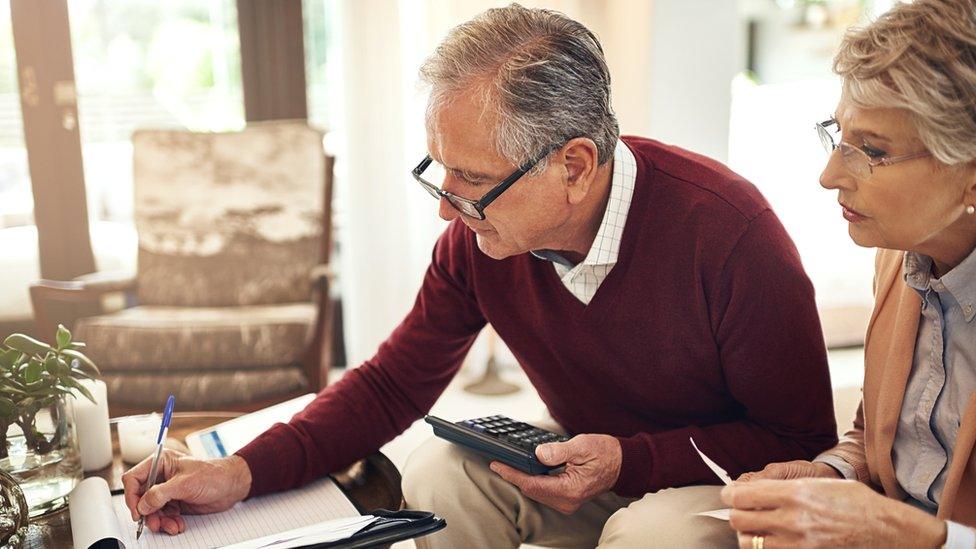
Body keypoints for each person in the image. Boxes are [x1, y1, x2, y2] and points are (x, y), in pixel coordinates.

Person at [122, 4, 837, 547]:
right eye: (440, 168)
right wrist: (240, 471)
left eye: (471, 179)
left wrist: (627, 460)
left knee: (652, 533)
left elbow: (799, 439)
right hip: (591, 448)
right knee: (436, 474)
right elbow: (389, 384)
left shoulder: (730, 234)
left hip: (704, 480)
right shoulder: (480, 239)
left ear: (576, 166)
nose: (445, 208)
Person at [722, 1, 976, 548]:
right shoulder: (902, 257)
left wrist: (915, 536)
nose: (830, 175)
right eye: (838, 136)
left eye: (873, 150)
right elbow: (883, 441)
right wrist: (832, 473)